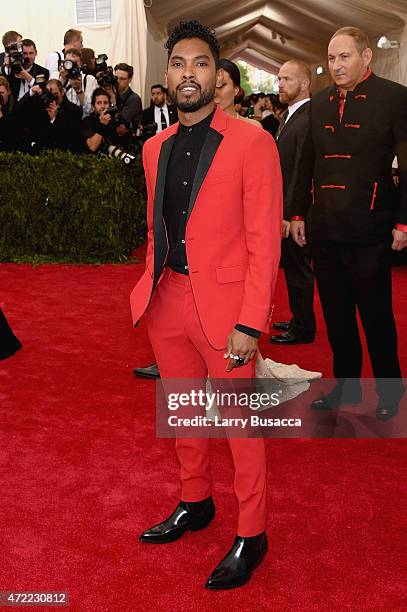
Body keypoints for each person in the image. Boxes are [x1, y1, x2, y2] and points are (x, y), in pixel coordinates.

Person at [131, 20, 282, 589]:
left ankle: (253, 531)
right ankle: (196, 503)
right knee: (186, 413)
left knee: (240, 426)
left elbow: (265, 239)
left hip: (226, 310)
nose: (186, 73)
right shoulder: (154, 148)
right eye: (177, 64)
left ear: (218, 76)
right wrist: (149, 289)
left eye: (199, 63)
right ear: (166, 74)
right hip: (168, 297)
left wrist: (251, 319)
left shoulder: (252, 141)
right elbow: (158, 227)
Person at [290, 26, 407, 421]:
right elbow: (306, 162)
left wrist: (404, 223)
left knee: (376, 316)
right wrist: (297, 213)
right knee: (337, 315)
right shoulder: (318, 103)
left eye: (344, 57)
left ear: (366, 56)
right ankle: (346, 385)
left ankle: (390, 391)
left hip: (371, 226)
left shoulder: (394, 98)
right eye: (331, 59)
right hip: (325, 228)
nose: (336, 65)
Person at [270, 60, 316, 345]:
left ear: (305, 83)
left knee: (299, 268)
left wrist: (291, 214)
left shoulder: (308, 116)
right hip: (288, 206)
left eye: (287, 79)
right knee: (293, 267)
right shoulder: (290, 115)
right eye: (279, 79)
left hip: (297, 212)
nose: (281, 84)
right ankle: (299, 318)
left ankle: (304, 327)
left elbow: (302, 168)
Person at [19, 78, 83, 153]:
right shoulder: (41, 107)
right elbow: (20, 111)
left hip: (63, 154)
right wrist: (31, 92)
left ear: (62, 92)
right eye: (50, 95)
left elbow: (69, 137)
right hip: (41, 154)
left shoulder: (74, 110)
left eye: (55, 95)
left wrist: (54, 119)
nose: (53, 99)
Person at [50, 47, 97, 118]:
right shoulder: (56, 76)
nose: (71, 66)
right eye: (68, 63)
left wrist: (79, 90)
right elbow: (50, 100)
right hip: (59, 119)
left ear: (80, 63)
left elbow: (90, 109)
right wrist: (62, 81)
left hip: (81, 122)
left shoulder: (89, 80)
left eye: (74, 63)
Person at [215, 58, 261, 129]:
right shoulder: (196, 127)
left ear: (236, 90)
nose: (215, 93)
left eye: (221, 85)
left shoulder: (252, 127)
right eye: (210, 86)